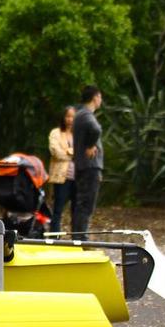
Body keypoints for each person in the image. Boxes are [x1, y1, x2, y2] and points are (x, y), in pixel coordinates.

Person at [72, 85, 103, 236]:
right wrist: (91, 145)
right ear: (95, 97)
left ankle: (79, 236)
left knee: (81, 204)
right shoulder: (86, 115)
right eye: (100, 97)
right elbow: (96, 129)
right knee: (86, 204)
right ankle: (81, 238)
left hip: (82, 166)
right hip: (89, 166)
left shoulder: (79, 114)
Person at [47, 106, 76, 233]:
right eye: (68, 116)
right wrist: (72, 152)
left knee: (76, 210)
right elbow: (56, 152)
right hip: (61, 177)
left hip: (78, 177)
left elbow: (84, 153)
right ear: (63, 118)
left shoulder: (79, 134)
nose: (70, 119)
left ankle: (77, 238)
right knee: (58, 209)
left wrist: (68, 152)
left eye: (73, 117)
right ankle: (54, 237)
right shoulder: (56, 133)